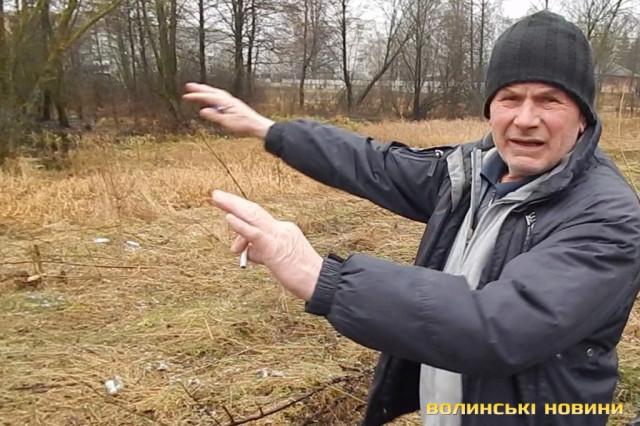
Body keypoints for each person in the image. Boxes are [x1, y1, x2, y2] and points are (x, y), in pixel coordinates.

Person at [183, 11, 640, 426]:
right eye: (510, 97)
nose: (524, 118)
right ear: (490, 108)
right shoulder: (473, 173)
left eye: (549, 100)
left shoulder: (608, 218)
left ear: (583, 117)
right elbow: (375, 164)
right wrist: (268, 128)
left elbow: (500, 328)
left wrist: (321, 277)